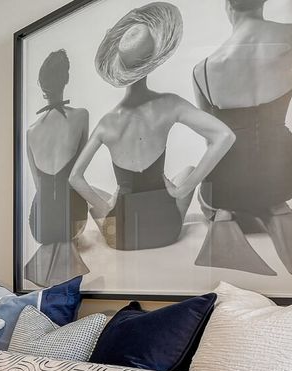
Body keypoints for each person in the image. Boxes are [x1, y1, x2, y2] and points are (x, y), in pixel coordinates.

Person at [71, 2, 235, 252]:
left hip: (123, 237)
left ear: (120, 64)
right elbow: (224, 135)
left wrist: (108, 209)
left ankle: (117, 206)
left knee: (100, 192)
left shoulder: (107, 123)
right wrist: (183, 189)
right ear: (153, 60)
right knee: (189, 169)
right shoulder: (169, 104)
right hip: (166, 229)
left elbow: (75, 178)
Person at [192, 0, 292, 275]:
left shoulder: (203, 68)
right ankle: (276, 207)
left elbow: (213, 139)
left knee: (209, 193)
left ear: (227, 6)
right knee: (270, 190)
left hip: (226, 185)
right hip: (284, 174)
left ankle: (224, 214)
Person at [23, 50, 90, 287]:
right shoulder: (81, 116)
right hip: (73, 217)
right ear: (66, 80)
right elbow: (78, 175)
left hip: (39, 223)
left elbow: (38, 184)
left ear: (41, 85)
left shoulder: (31, 131)